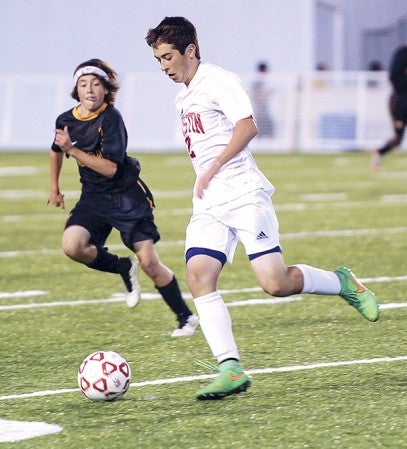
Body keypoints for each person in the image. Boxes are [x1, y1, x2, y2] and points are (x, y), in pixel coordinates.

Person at [145, 17, 379, 400]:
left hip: (243, 194)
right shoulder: (182, 95)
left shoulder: (218, 81)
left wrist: (216, 166)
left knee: (275, 283)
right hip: (208, 203)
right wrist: (206, 176)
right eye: (158, 60)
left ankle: (342, 282)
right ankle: (231, 368)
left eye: (168, 56)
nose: (164, 66)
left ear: (190, 50)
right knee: (199, 277)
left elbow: (248, 126)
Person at [47, 58, 198, 337]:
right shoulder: (66, 120)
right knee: (72, 246)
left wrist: (74, 150)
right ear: (76, 90)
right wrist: (54, 187)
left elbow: (111, 168)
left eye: (96, 84)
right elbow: (57, 149)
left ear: (106, 89)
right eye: (83, 84)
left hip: (126, 197)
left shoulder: (111, 118)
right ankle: (121, 266)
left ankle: (185, 317)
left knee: (150, 263)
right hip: (93, 198)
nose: (90, 89)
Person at [372, 44, 407, 171]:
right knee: (398, 138)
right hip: (400, 103)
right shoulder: (402, 53)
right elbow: (394, 77)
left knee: (398, 139)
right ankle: (379, 152)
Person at [250, 61, 274, 137]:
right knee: (262, 121)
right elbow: (256, 93)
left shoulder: (261, 80)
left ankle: (265, 136)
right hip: (260, 106)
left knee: (264, 121)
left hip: (262, 106)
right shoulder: (259, 80)